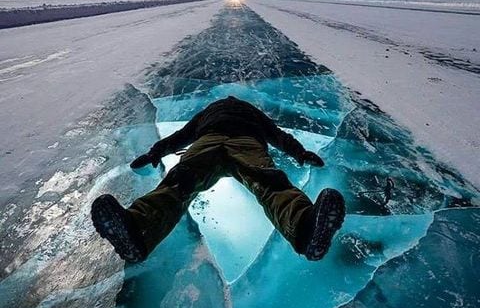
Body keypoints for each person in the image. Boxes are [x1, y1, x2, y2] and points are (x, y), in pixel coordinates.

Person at [91, 96, 346, 264]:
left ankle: (306, 229)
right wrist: (154, 153)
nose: (229, 100)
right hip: (236, 142)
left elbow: (277, 136)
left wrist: (301, 153)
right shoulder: (224, 112)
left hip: (217, 141)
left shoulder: (232, 112)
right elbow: (181, 136)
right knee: (267, 183)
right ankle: (135, 232)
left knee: (182, 183)